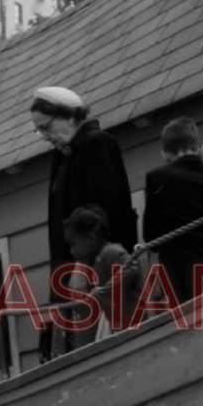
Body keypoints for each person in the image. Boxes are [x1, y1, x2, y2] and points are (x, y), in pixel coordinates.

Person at [30, 86, 136, 360]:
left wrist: (82, 266)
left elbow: (106, 210)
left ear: (68, 116)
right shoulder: (63, 155)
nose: (44, 136)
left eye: (46, 127)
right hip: (71, 274)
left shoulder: (98, 144)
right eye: (39, 130)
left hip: (95, 273)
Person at [141, 117, 203, 303]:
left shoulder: (157, 178)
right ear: (200, 148)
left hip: (179, 271)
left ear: (165, 154)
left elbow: (151, 236)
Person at [48, 205, 141, 354]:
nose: (72, 252)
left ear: (91, 238)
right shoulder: (96, 263)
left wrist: (101, 291)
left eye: (74, 245)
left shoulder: (110, 253)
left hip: (130, 329)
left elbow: (131, 268)